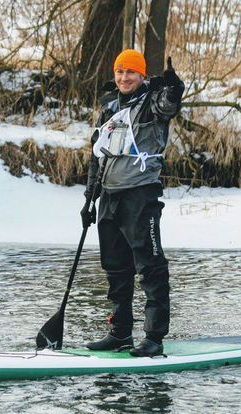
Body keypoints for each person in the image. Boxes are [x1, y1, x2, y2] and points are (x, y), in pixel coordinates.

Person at [81, 49, 184, 357]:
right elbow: (97, 155)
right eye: (120, 72)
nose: (125, 78)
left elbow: (169, 106)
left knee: (150, 266)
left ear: (142, 75)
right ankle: (120, 333)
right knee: (115, 267)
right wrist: (89, 199)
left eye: (131, 73)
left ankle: (153, 337)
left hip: (140, 193)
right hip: (109, 195)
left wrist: (175, 89)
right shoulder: (109, 106)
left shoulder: (152, 102)